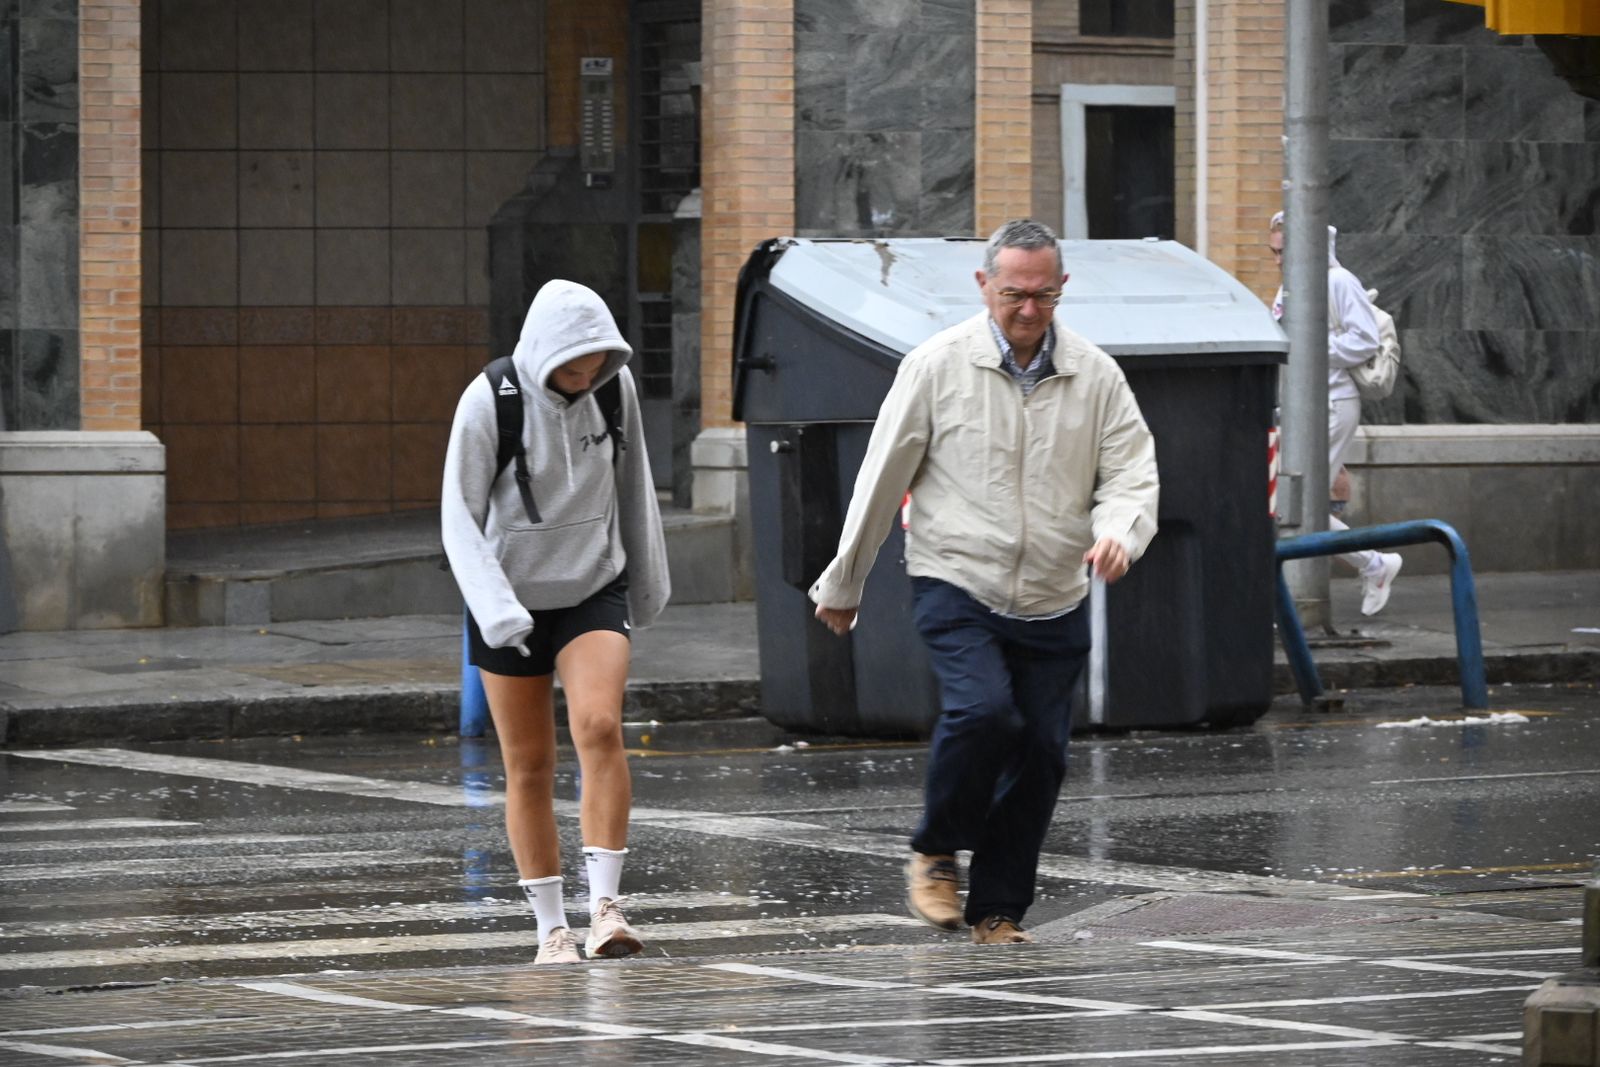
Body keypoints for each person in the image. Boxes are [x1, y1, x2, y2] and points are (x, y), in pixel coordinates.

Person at [809, 219, 1159, 945]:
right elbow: (882, 476)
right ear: (983, 286)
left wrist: (1120, 533)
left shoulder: (1095, 375)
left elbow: (1131, 472)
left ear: (1063, 289)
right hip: (956, 576)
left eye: (1043, 295)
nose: (1028, 310)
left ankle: (998, 910)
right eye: (1012, 294)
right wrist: (846, 581)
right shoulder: (937, 365)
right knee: (983, 712)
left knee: (1041, 755)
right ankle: (936, 847)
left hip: (1056, 590)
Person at [442, 280, 670, 965]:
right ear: (544, 351)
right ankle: (551, 929)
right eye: (575, 364)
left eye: (598, 360)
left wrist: (649, 584)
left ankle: (606, 909)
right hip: (506, 598)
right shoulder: (489, 400)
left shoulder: (612, 386)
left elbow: (635, 484)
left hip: (592, 584)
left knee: (600, 725)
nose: (587, 374)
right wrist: (497, 607)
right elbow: (457, 515)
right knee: (529, 764)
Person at [1268, 211, 1402, 615]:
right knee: (1292, 505)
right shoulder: (1288, 288)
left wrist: (1310, 348)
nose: (1277, 260)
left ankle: (1374, 565)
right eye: (1272, 252)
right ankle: (1373, 565)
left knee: (1299, 506)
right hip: (1302, 405)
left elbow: (1363, 341)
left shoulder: (1339, 281)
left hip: (1331, 404)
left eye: (1283, 251)